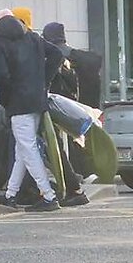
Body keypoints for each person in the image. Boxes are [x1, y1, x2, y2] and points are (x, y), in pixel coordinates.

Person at [0, 15, 64, 212]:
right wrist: (43, 81)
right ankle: (10, 194)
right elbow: (56, 54)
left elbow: (2, 76)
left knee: (27, 149)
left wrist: (6, 99)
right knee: (22, 150)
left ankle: (48, 195)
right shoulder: (32, 38)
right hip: (36, 100)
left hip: (18, 103)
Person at [41, 23, 90, 208]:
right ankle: (72, 186)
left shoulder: (52, 54)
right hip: (66, 106)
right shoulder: (70, 56)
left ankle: (71, 187)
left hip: (52, 106)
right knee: (58, 148)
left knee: (53, 149)